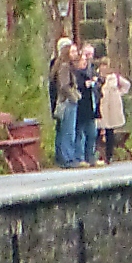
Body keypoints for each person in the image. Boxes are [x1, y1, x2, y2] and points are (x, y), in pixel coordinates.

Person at [51, 39, 81, 168]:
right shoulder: (64, 66)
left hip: (66, 101)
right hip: (67, 102)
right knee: (68, 131)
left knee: (65, 130)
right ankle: (67, 157)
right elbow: (64, 85)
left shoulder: (63, 65)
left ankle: (64, 156)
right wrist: (74, 96)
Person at [97, 57, 130, 164]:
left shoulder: (114, 77)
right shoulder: (96, 77)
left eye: (106, 65)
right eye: (102, 65)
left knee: (109, 131)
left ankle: (109, 155)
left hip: (112, 107)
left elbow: (126, 85)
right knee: (97, 131)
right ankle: (98, 154)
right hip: (101, 105)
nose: (104, 68)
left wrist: (119, 93)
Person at [74, 45, 101, 167]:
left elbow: (99, 81)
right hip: (82, 107)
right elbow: (77, 87)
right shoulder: (76, 74)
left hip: (91, 107)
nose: (85, 63)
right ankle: (80, 158)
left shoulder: (90, 71)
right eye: (83, 61)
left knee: (92, 133)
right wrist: (85, 85)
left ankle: (91, 156)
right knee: (80, 134)